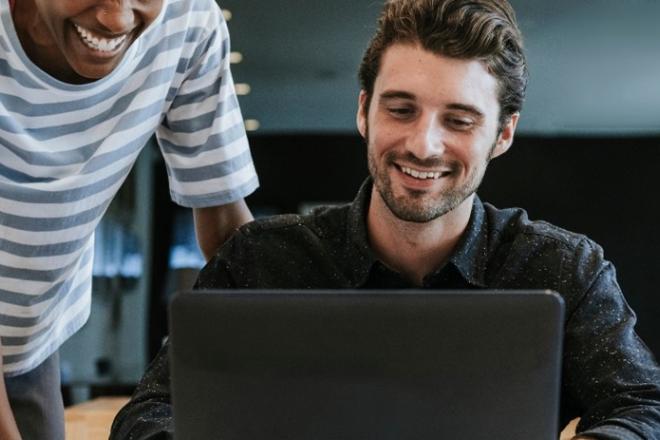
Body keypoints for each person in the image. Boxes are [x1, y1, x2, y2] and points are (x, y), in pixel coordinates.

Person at [110, 0, 660, 438]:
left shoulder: (562, 268)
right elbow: (150, 414)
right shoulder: (262, 259)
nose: (424, 144)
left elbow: (644, 407)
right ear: (363, 110)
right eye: (401, 109)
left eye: (460, 120)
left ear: (503, 134)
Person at [0, 0, 259, 437]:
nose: (117, 19)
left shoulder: (190, 22)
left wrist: (302, 362)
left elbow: (227, 230)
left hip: (30, 345)